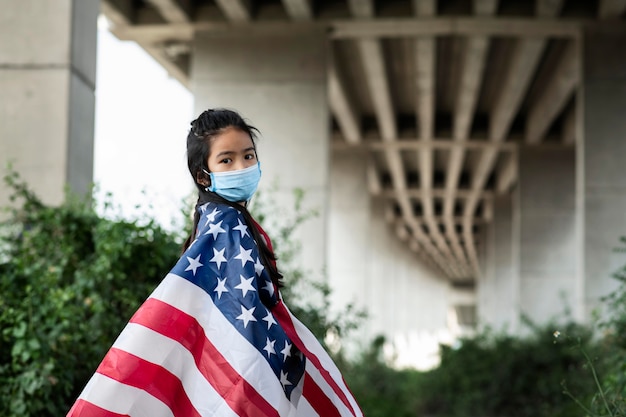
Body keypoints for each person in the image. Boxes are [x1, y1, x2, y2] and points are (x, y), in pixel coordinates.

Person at [67, 108, 363, 417]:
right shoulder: (228, 224)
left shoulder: (214, 219)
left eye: (248, 156)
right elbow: (244, 323)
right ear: (202, 175)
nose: (242, 166)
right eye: (227, 160)